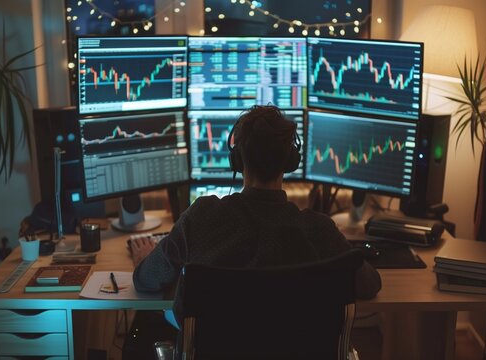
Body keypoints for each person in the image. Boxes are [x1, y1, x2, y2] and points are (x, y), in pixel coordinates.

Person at [127, 105, 381, 360]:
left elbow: (146, 280)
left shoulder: (201, 217)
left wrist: (144, 259)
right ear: (290, 162)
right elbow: (369, 285)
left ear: (237, 160)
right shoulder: (320, 230)